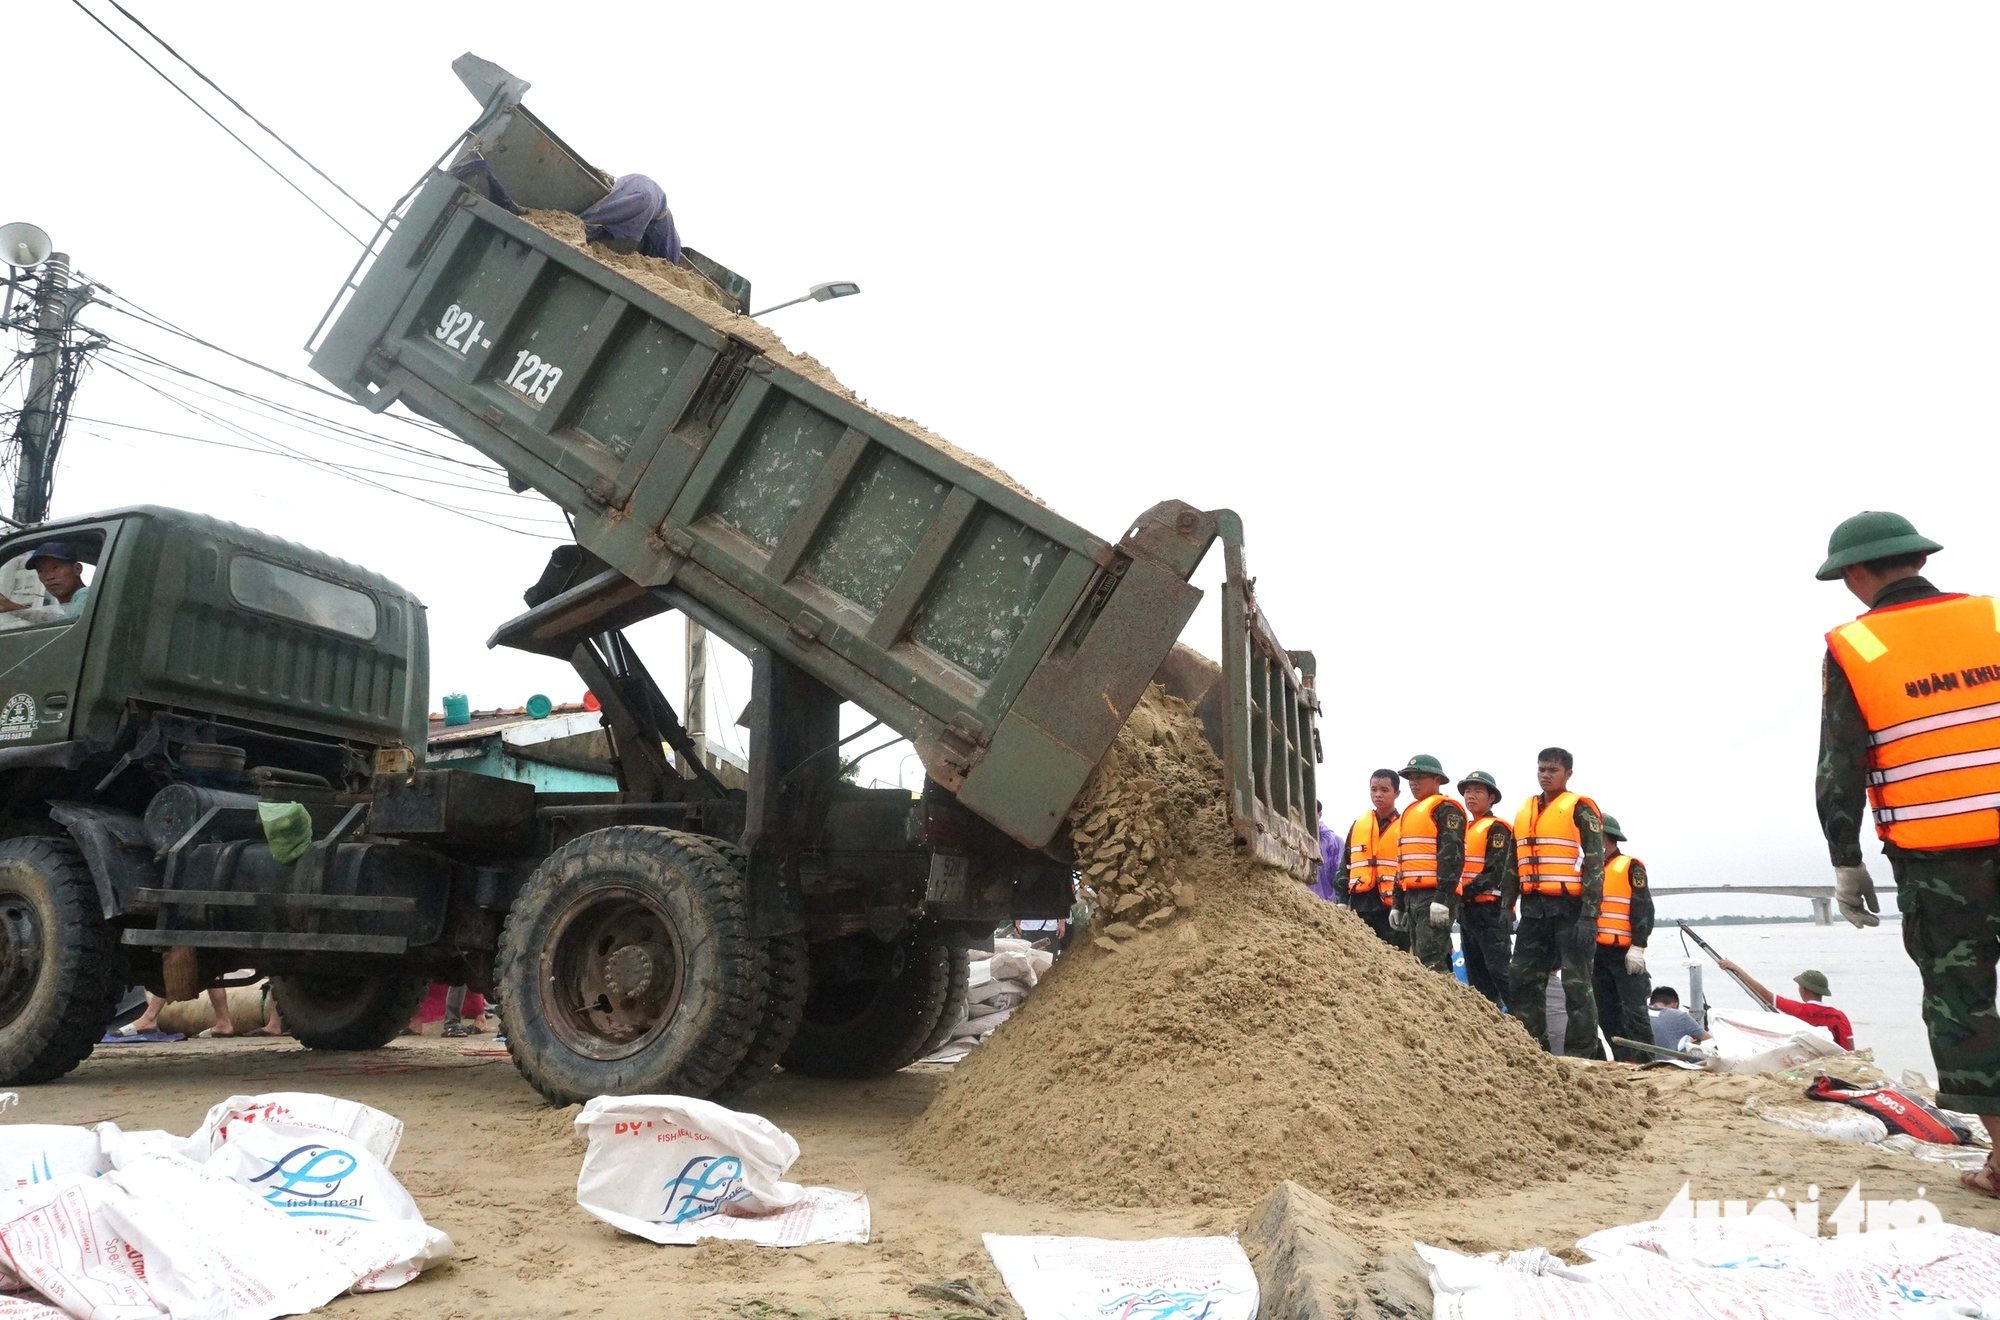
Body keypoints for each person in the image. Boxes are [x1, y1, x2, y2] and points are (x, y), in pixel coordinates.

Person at [1814, 510, 2000, 1196]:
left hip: (1939, 860)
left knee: (1963, 1002)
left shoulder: (1856, 646)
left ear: (1859, 573)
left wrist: (1844, 857)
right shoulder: (1993, 618)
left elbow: (1841, 767)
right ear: (1917, 561)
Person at [1507, 747, 1605, 1056]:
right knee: (1522, 978)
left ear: (1568, 774)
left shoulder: (1580, 808)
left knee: (1577, 986)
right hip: (1534, 911)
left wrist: (1590, 916)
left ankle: (1582, 1054)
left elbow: (1594, 865)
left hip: (1570, 911)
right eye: (1542, 769)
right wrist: (1505, 906)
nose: (1546, 775)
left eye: (1553, 770)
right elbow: (1514, 861)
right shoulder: (1525, 810)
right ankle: (1534, 1048)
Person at [1390, 755, 1465, 974]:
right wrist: (1398, 902)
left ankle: (1446, 1006)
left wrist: (1442, 898)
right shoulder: (1410, 812)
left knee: (1430, 962)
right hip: (1413, 896)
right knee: (1420, 960)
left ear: (1437, 780)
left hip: (1434, 895)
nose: (1414, 782)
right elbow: (1402, 862)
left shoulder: (1446, 809)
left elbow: (1452, 857)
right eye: (1410, 778)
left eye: (1420, 777)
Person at [1592, 815, 1655, 1061]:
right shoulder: (1587, 870)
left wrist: (1639, 946)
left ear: (1606, 837)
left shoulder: (1630, 866)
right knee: (1605, 1012)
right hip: (1596, 955)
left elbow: (1644, 908)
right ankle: (1622, 1058)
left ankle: (1645, 1061)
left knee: (1635, 1012)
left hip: (1624, 953)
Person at [1455, 770, 1515, 1009]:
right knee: (1476, 975)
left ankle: (1525, 1024)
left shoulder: (1498, 828)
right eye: (1467, 791)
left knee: (1500, 971)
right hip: (1468, 911)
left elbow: (1494, 872)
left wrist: (1461, 894)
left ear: (1492, 797)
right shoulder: (1464, 828)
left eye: (1478, 791)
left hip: (1491, 911)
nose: (1471, 796)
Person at [1714, 960, 1855, 1051]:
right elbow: (1850, 1047)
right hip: (1841, 1062)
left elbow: (1763, 993)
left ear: (1804, 989)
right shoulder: (1840, 1016)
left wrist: (1735, 968)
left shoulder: (1799, 1010)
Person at [1333, 770, 1404, 948]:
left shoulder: (1406, 825)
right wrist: (1341, 900)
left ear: (1397, 793)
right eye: (1374, 789)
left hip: (1393, 905)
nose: (1378, 794)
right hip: (1362, 904)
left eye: (1384, 790)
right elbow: (1346, 863)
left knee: (1397, 956)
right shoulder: (1359, 825)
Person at [0, 541, 89, 626]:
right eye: (41, 571)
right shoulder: (70, 607)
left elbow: (68, 624)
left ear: (77, 569)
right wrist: (11, 607)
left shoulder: (87, 596)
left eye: (55, 567)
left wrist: (13, 607)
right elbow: (59, 620)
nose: (49, 577)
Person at [1648, 986, 1711, 1051]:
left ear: (1651, 1003)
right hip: (1666, 1061)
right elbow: (1709, 1040)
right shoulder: (1679, 1016)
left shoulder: (1639, 1013)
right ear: (1674, 1005)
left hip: (1640, 1060)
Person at [1310, 801, 1345, 902]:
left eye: (1311, 813)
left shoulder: (1334, 842)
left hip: (1327, 904)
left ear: (1319, 814)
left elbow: (1341, 876)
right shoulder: (1292, 840)